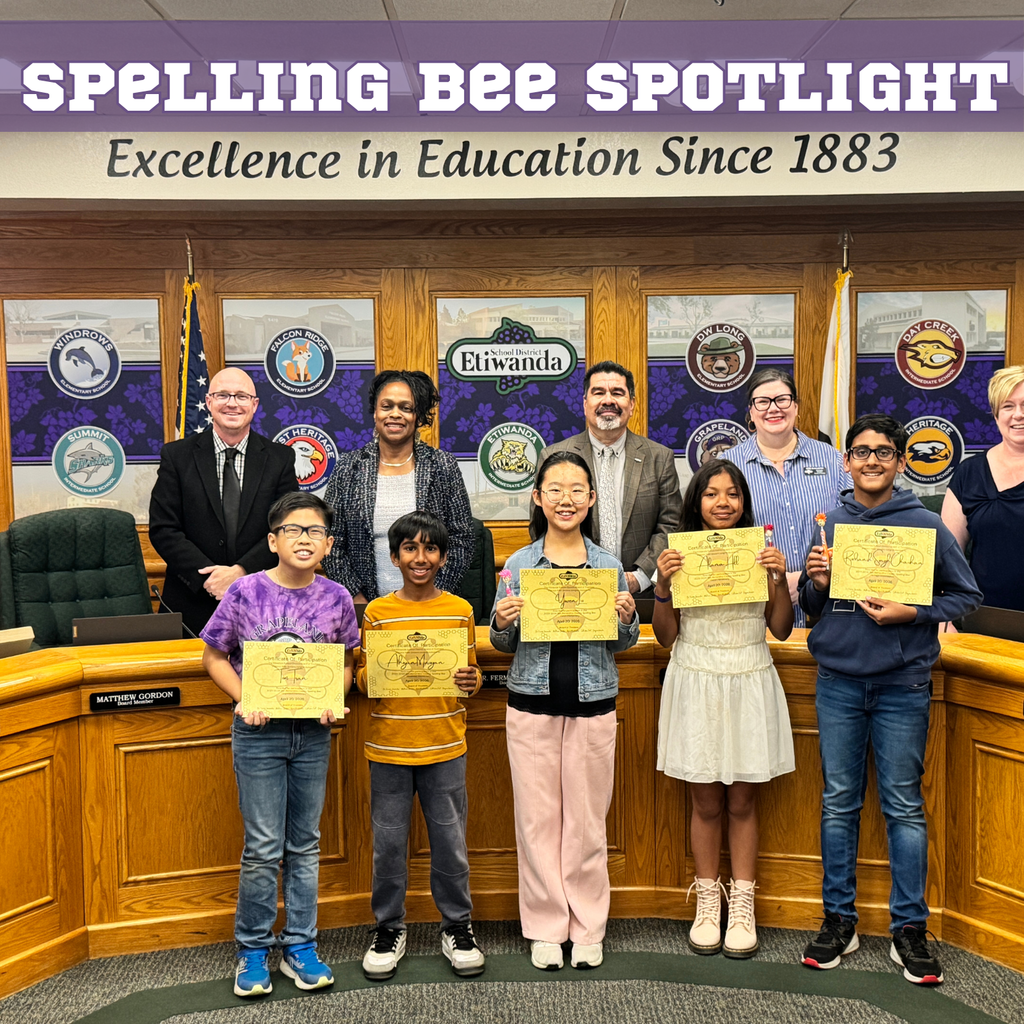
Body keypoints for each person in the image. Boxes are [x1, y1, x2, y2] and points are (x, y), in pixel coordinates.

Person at [799, 414, 981, 985]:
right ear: (846, 461)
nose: (871, 461)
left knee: (903, 805)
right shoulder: (828, 522)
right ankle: (839, 920)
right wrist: (817, 583)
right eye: (860, 452)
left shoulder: (924, 524)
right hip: (839, 682)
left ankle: (909, 929)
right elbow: (810, 607)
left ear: (900, 462)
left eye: (883, 452)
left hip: (903, 685)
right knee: (838, 803)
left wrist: (915, 611)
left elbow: (966, 595)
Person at [200, 492, 359, 998]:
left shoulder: (336, 597)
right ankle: (252, 949)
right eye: (293, 530)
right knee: (264, 846)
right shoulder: (245, 592)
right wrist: (246, 698)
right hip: (258, 733)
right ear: (273, 540)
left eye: (314, 531)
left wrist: (337, 696)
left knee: (305, 844)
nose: (304, 538)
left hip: (313, 733)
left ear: (329, 543)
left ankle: (300, 945)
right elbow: (214, 656)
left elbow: (347, 662)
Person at [491, 451, 639, 971]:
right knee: (537, 821)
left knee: (586, 821)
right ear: (537, 497)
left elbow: (621, 642)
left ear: (591, 499)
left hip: (593, 705)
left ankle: (588, 924)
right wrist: (504, 621)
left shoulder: (608, 566)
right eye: (554, 489)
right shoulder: (517, 566)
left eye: (577, 489)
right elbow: (502, 642)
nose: (566, 499)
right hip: (530, 704)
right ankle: (546, 926)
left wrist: (626, 617)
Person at [653, 459, 794, 959]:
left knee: (742, 802)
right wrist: (663, 587)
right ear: (696, 503)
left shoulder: (760, 552)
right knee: (706, 802)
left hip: (750, 674)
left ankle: (744, 904)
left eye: (732, 494)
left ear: (744, 502)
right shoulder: (679, 555)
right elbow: (666, 637)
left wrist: (778, 579)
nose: (722, 503)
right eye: (711, 494)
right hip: (695, 676)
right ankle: (708, 901)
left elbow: (780, 629)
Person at [356, 510, 485, 981]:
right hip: (389, 747)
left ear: (444, 557)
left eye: (431, 548)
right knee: (388, 847)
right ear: (394, 557)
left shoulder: (460, 611)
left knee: (450, 844)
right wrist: (377, 673)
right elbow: (362, 678)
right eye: (410, 548)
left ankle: (458, 926)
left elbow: (468, 680)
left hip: (445, 744)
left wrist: (471, 681)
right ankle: (388, 927)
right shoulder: (376, 613)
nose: (420, 557)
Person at [149, 367, 298, 635]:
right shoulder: (176, 456)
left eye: (241, 396)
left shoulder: (280, 459)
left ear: (254, 405)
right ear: (208, 402)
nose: (232, 403)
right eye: (222, 395)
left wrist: (241, 572)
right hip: (190, 603)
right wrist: (210, 579)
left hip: (262, 600)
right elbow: (164, 529)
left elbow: (287, 527)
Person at [323, 370, 473, 606]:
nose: (395, 414)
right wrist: (357, 597)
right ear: (375, 412)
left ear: (418, 416)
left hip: (430, 605)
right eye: (387, 406)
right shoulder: (348, 468)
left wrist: (434, 596)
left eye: (406, 408)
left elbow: (461, 539)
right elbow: (331, 541)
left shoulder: (443, 466)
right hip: (367, 606)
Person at [720, 368, 851, 627]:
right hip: (755, 614)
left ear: (796, 406)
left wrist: (806, 579)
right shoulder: (727, 466)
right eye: (763, 402)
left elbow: (852, 528)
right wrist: (775, 586)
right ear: (751, 412)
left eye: (782, 399)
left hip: (827, 611)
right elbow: (718, 540)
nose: (773, 408)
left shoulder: (832, 460)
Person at [542, 361, 682, 596]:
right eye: (598, 393)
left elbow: (671, 525)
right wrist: (577, 574)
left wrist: (640, 577)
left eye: (617, 393)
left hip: (641, 595)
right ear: (585, 404)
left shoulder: (659, 458)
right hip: (572, 590)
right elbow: (543, 525)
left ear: (632, 404)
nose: (608, 400)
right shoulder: (554, 457)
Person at [942, 365, 1024, 611]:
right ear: (996, 414)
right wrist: (945, 619)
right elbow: (947, 557)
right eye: (1008, 406)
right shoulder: (969, 473)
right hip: (984, 621)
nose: (1018, 414)